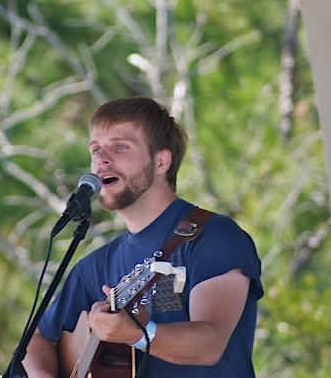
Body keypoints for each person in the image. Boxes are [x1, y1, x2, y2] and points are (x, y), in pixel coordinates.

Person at [23, 97, 263, 378]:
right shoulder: (94, 268)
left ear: (161, 161)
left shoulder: (213, 236)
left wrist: (136, 334)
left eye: (120, 147)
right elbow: (35, 339)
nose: (102, 159)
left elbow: (209, 344)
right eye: (96, 149)